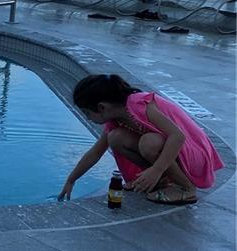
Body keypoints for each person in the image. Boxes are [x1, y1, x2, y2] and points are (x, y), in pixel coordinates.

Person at [58, 73, 223, 205]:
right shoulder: (115, 119)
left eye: (87, 113)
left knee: (149, 143)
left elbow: (178, 136)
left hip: (193, 153)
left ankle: (186, 189)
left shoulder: (140, 104)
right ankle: (162, 181)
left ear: (102, 107)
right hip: (175, 155)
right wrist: (71, 180)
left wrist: (156, 169)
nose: (87, 118)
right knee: (115, 138)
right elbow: (95, 152)